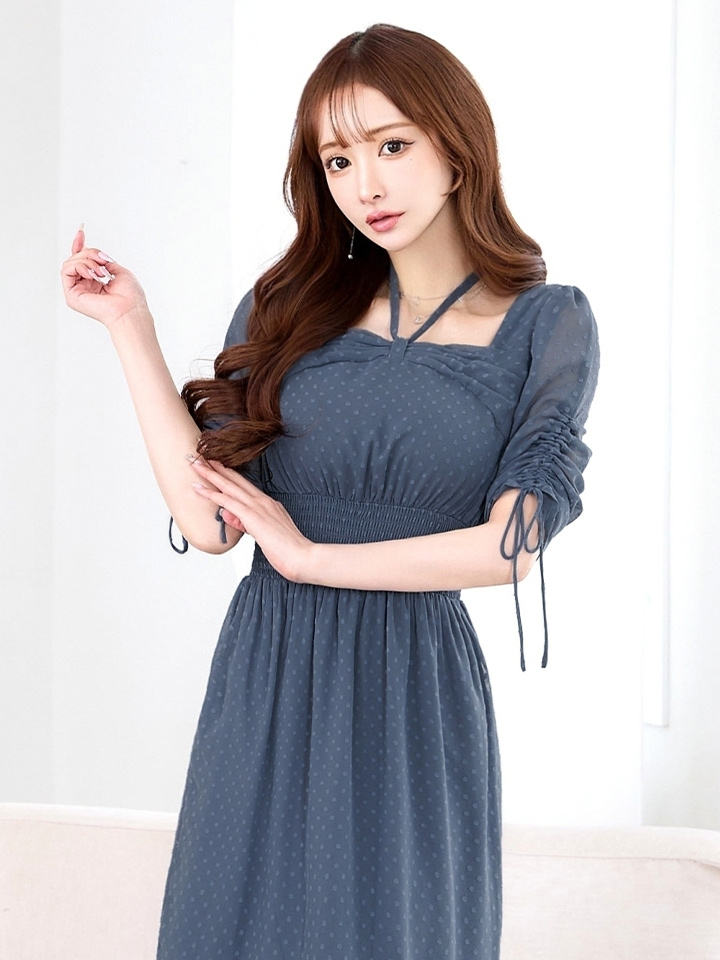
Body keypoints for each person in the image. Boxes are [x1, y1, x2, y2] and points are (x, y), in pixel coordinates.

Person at [60, 22, 599, 960]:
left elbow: (511, 547)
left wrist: (310, 557)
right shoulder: (286, 309)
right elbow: (210, 521)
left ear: (456, 147)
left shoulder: (543, 324)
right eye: (339, 160)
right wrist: (130, 326)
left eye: (392, 146)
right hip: (268, 672)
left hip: (412, 687)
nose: (366, 185)